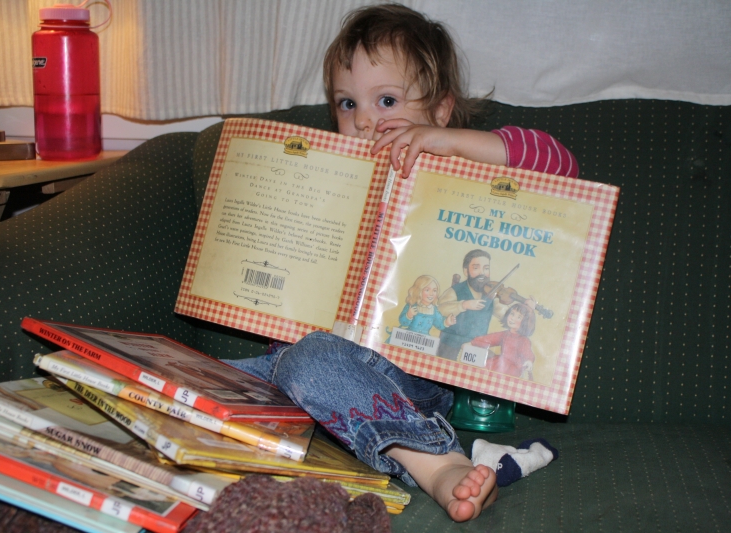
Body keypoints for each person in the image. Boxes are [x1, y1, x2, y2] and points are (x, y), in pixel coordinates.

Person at [226, 3, 578, 522]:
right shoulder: (340, 181)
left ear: (439, 111)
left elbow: (561, 166)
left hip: (400, 375)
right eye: (347, 103)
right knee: (199, 379)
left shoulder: (456, 170)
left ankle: (437, 464)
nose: (364, 120)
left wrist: (448, 144)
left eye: (386, 100)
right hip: (299, 373)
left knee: (309, 360)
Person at [472, 303, 537, 380]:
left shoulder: (524, 340)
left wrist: (529, 360)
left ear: (525, 322)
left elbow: (527, 352)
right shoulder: (505, 334)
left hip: (513, 369)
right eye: (512, 314)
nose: (512, 318)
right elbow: (490, 338)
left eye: (519, 317)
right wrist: (474, 341)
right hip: (500, 363)